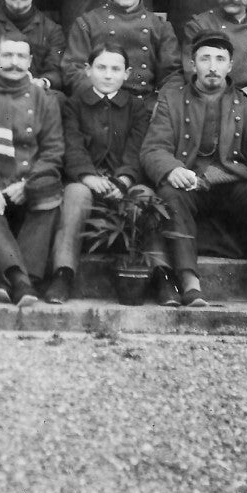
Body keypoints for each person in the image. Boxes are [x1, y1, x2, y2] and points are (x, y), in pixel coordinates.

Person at [142, 32, 247, 308]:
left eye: (220, 59)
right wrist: (172, 169)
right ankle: (190, 284)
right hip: (190, 183)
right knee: (169, 191)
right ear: (192, 64)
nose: (213, 66)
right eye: (205, 59)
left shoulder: (246, 105)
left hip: (233, 183)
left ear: (230, 66)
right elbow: (153, 149)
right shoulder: (172, 100)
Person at [54, 40, 161, 305]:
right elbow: (72, 145)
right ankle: (63, 273)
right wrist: (87, 176)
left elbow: (137, 148)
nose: (108, 74)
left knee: (145, 196)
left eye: (116, 69)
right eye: (101, 67)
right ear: (88, 70)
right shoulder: (73, 104)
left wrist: (124, 178)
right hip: (86, 181)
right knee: (76, 193)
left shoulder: (137, 107)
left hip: (123, 182)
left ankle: (161, 275)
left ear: (126, 74)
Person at [0, 34, 66, 307]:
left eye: (21, 57)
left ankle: (5, 279)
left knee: (49, 195)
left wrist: (28, 183)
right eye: (7, 56)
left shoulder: (44, 99)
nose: (14, 63)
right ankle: (20, 279)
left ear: (31, 61)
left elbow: (53, 151)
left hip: (25, 185)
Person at [63, 0, 183, 106]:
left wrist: (163, 104)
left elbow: (172, 75)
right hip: (99, 105)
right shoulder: (87, 23)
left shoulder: (160, 26)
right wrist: (98, 98)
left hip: (145, 107)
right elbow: (73, 70)